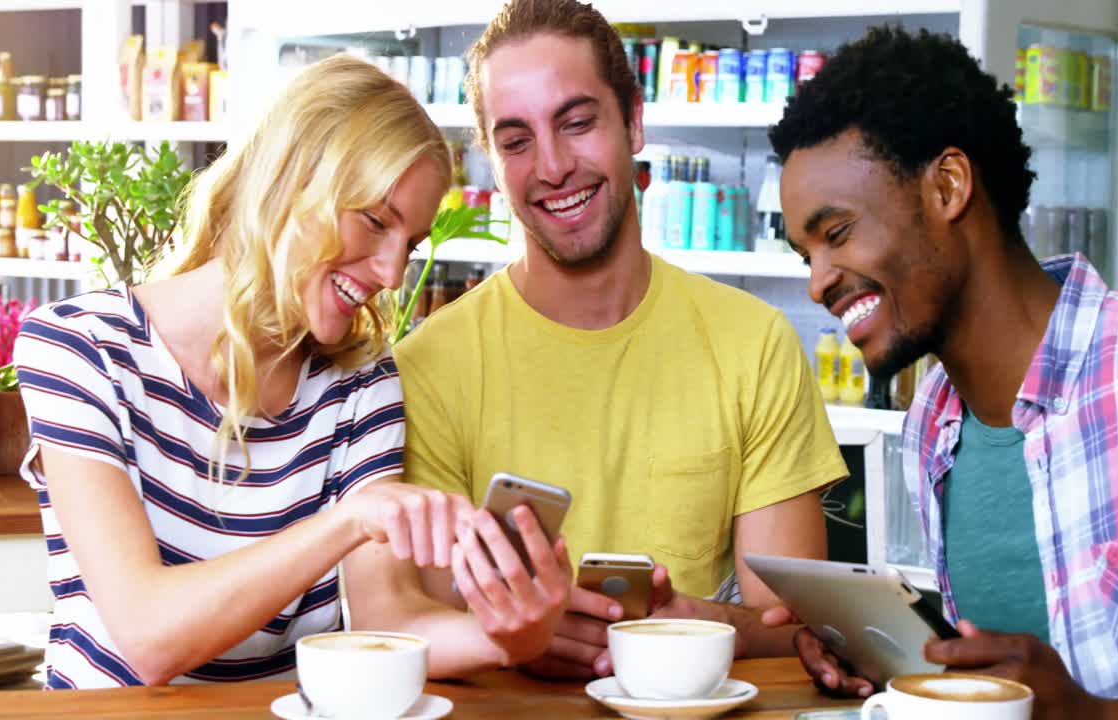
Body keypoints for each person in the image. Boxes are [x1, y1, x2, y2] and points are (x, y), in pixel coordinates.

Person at [13, 55, 568, 688]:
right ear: (289, 182)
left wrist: (508, 635)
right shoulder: (81, 348)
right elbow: (148, 636)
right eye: (375, 220)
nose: (391, 273)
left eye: (408, 243)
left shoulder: (361, 386)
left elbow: (387, 621)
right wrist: (348, 521)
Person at [362, 0, 848, 681]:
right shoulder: (427, 367)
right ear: (493, 166)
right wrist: (525, 632)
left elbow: (794, 627)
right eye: (516, 140)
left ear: (634, 120)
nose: (554, 166)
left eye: (578, 122)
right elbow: (437, 632)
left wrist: (692, 622)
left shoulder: (752, 345)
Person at [765, 25, 1118, 718]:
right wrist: (888, 657)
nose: (818, 282)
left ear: (948, 186)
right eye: (804, 254)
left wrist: (1097, 714)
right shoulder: (933, 426)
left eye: (837, 233)